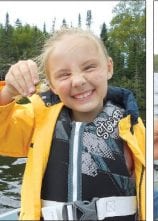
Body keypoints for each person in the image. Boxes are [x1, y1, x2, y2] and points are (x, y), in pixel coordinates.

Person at [0, 28, 145, 220]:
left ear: (109, 67)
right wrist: (7, 93)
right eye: (64, 75)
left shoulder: (132, 127)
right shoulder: (37, 120)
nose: (78, 81)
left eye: (89, 67)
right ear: (51, 85)